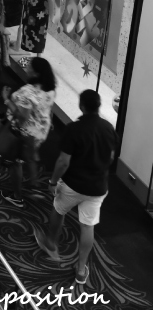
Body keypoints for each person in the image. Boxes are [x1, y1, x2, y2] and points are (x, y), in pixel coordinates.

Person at [38, 88, 117, 283]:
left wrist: (53, 181)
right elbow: (112, 156)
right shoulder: (109, 128)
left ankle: (50, 243)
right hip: (98, 188)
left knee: (59, 209)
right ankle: (81, 269)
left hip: (73, 184)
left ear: (81, 106)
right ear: (99, 106)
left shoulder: (74, 129)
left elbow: (63, 161)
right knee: (88, 226)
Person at [7, 55, 56, 194]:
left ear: (36, 73)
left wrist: (7, 100)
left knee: (16, 161)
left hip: (26, 132)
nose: (26, 68)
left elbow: (22, 117)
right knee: (31, 156)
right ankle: (34, 182)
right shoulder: (50, 90)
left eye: (29, 67)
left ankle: (18, 195)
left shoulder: (29, 93)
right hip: (40, 131)